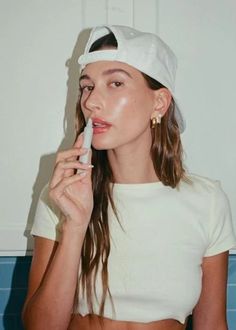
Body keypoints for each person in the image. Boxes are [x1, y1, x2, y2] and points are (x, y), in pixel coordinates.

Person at [22, 25, 236, 330]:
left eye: (116, 83)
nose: (91, 102)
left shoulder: (207, 201)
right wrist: (75, 226)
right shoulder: (62, 194)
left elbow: (212, 324)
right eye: (87, 86)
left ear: (159, 103)